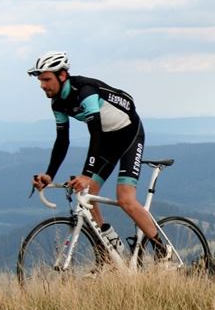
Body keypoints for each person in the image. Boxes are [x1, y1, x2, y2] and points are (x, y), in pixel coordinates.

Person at [28, 51, 163, 251]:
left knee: (125, 199)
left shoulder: (86, 92)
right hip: (108, 139)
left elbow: (96, 134)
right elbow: (62, 140)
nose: (43, 85)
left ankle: (162, 250)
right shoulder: (57, 102)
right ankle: (110, 248)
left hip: (129, 134)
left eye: (47, 79)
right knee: (88, 193)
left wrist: (86, 174)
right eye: (40, 80)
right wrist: (49, 174)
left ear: (62, 75)